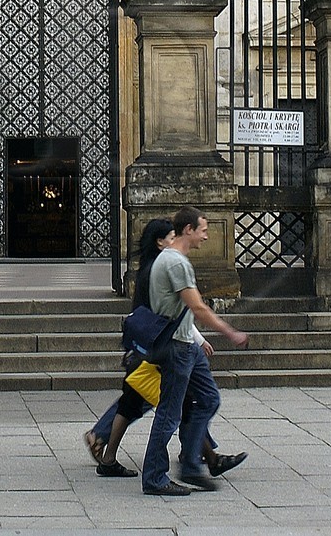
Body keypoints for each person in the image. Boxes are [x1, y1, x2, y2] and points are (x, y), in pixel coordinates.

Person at [83, 218, 246, 479]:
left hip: (151, 343)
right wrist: (205, 338)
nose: (175, 241)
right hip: (159, 345)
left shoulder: (154, 266)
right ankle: (178, 463)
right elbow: (177, 312)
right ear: (162, 240)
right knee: (166, 406)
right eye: (171, 237)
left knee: (157, 403)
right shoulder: (167, 267)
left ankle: (201, 457)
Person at [140, 206, 248, 496]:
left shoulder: (173, 259)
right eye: (203, 229)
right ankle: (154, 477)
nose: (207, 236)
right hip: (176, 346)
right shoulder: (175, 263)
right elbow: (196, 306)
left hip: (187, 343)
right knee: (169, 414)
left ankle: (190, 460)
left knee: (209, 399)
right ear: (188, 229)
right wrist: (230, 332)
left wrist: (198, 339)